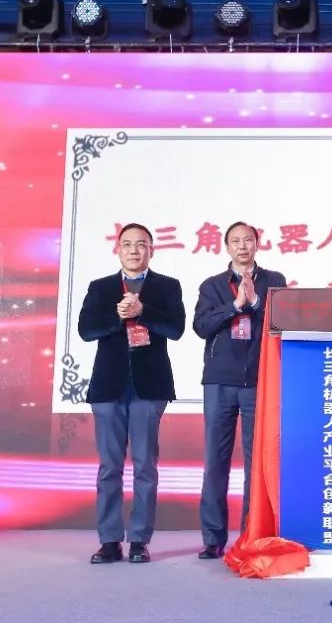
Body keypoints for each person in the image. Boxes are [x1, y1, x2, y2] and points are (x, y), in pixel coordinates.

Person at [78, 223, 185, 564]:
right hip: (108, 388)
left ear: (151, 250)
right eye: (127, 244)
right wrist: (117, 315)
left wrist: (143, 313)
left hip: (149, 388)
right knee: (109, 467)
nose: (134, 250)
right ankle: (109, 541)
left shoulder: (167, 286)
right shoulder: (101, 287)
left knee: (144, 466)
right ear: (118, 250)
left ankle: (139, 539)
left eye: (141, 244)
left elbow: (176, 329)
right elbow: (85, 330)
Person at [193, 222, 287, 559]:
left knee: (256, 462)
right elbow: (201, 326)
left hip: (259, 382)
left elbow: (282, 321)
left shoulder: (274, 281)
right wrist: (235, 306)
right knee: (215, 462)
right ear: (226, 247)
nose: (242, 246)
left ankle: (252, 532)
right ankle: (213, 537)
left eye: (248, 240)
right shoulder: (212, 285)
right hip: (219, 381)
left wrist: (256, 301)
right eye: (235, 241)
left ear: (257, 244)